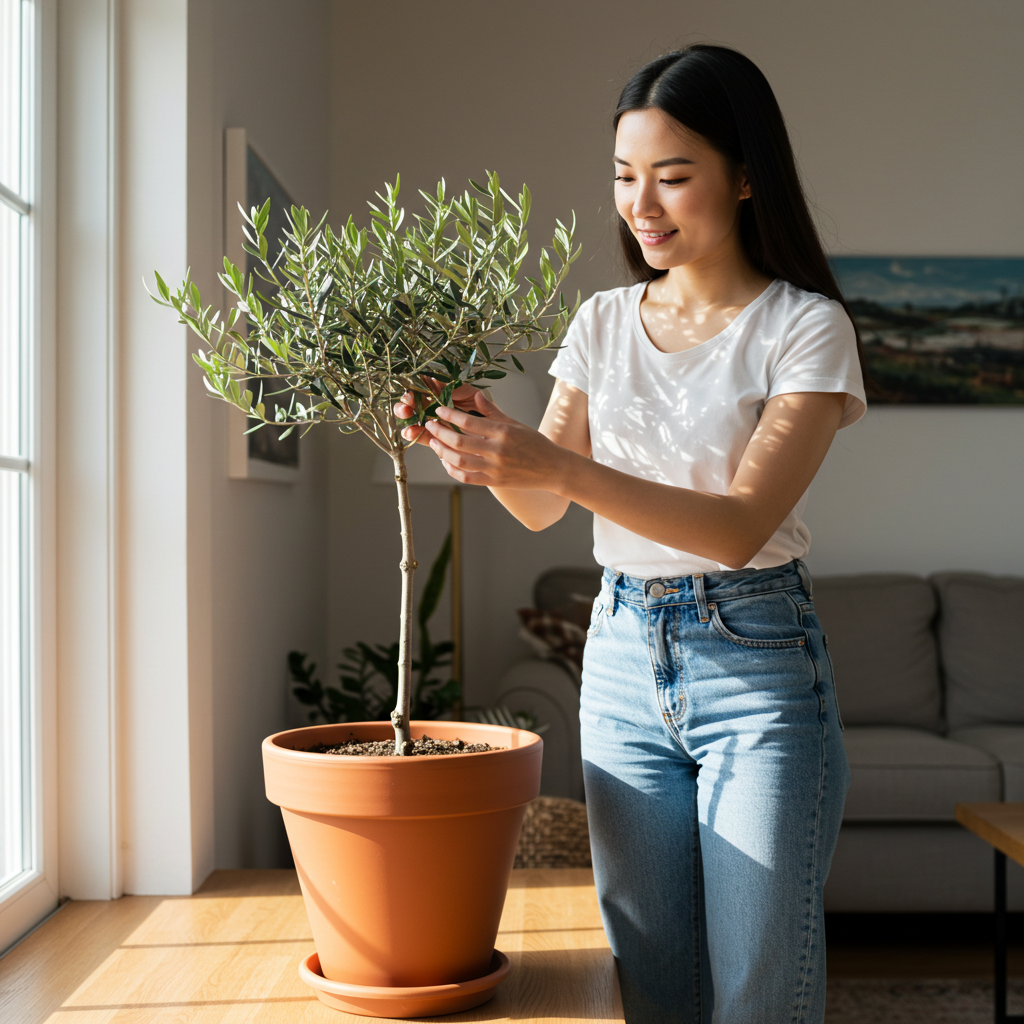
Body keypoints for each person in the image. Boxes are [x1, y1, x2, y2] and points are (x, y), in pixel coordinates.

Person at [395, 44, 865, 1024]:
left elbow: (738, 527)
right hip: (617, 663)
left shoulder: (803, 327)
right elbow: (541, 504)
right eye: (622, 177)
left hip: (755, 665)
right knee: (652, 988)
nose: (639, 206)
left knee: (757, 995)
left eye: (671, 176)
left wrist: (557, 464)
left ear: (744, 176)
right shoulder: (603, 322)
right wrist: (484, 451)